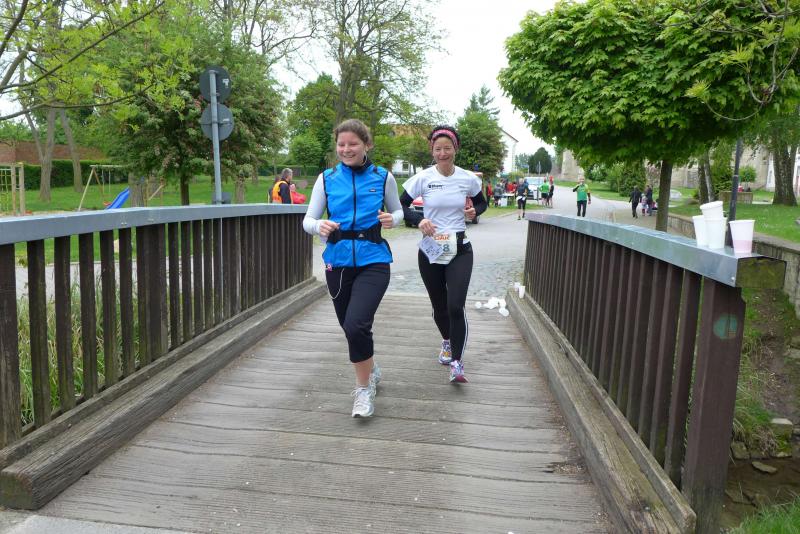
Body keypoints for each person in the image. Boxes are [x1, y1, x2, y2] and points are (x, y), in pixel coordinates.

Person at [302, 119, 404, 418]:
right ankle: (370, 367)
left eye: (353, 144)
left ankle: (362, 390)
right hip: (338, 261)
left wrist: (394, 219)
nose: (346, 149)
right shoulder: (327, 178)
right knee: (350, 326)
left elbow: (398, 209)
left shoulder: (383, 176)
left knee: (357, 324)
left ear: (366, 145)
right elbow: (308, 220)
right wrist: (318, 226)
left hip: (374, 259)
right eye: (341, 144)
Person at [400, 125, 487, 384]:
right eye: (437, 149)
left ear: (455, 149)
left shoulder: (467, 178)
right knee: (439, 306)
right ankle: (447, 341)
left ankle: (457, 362)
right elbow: (401, 205)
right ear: (432, 151)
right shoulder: (423, 178)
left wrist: (475, 211)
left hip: (460, 248)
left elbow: (481, 202)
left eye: (447, 148)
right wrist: (419, 220)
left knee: (455, 305)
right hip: (431, 248)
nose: (442, 153)